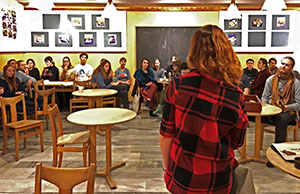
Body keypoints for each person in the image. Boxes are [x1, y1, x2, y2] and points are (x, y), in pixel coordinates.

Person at [160, 25, 248, 194]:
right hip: (218, 177)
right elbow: (237, 142)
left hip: (182, 173)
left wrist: (167, 169)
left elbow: (166, 135)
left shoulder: (178, 86)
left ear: (194, 51)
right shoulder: (235, 94)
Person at [261, 56, 300, 167]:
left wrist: (287, 107)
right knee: (254, 116)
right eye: (282, 63)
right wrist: (268, 107)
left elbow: (299, 104)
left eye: (287, 65)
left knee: (281, 119)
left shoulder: (296, 83)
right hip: (272, 110)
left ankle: (277, 154)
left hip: (289, 112)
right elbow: (264, 97)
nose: (283, 66)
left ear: (292, 67)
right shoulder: (271, 79)